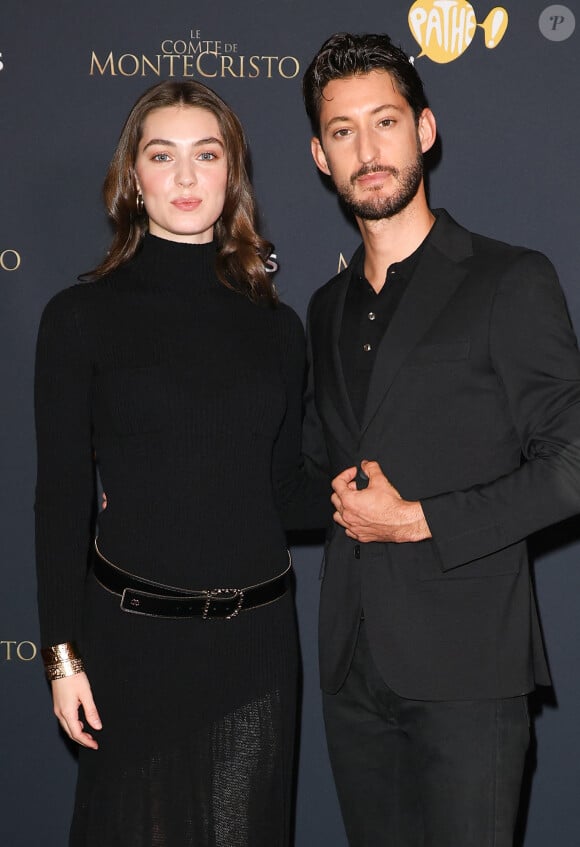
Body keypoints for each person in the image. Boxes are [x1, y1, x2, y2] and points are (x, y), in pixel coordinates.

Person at [301, 32, 580, 847]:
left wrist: (419, 518)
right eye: (343, 131)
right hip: (353, 670)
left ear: (425, 129)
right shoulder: (324, 306)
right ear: (321, 156)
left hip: (468, 672)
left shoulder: (508, 278)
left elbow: (571, 465)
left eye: (384, 121)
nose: (368, 148)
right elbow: (313, 466)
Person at [35, 79, 327, 847]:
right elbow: (62, 498)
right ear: (134, 176)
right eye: (163, 156)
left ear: (232, 173)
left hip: (256, 649)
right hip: (132, 645)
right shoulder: (80, 317)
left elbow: (287, 492)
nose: (188, 177)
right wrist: (62, 656)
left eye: (208, 154)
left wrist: (399, 483)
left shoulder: (277, 327)